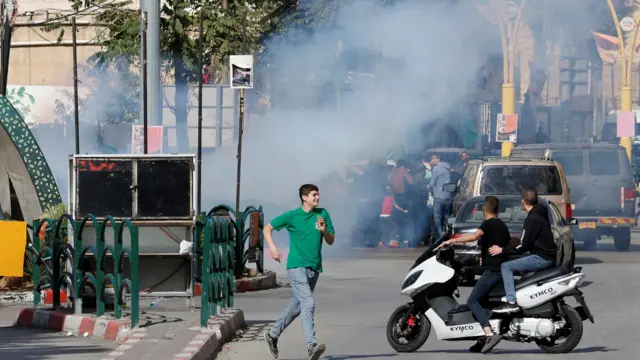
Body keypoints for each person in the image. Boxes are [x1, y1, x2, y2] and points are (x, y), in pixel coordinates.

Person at [263, 184, 335, 360]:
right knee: (308, 303)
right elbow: (267, 228)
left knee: (296, 307)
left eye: (318, 194)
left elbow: (331, 240)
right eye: (314, 195)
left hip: (314, 268)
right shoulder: (293, 216)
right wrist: (273, 248)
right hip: (296, 267)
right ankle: (311, 345)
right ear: (304, 197)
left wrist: (324, 230)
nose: (317, 198)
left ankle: (272, 335)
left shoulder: (322, 214)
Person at [436, 196, 510, 354]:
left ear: (484, 210)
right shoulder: (502, 226)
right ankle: (481, 339)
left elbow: (473, 236)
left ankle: (489, 334)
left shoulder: (488, 224)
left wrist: (450, 242)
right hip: (500, 269)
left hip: (493, 271)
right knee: (483, 303)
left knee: (472, 300)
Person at [489, 189, 558, 314]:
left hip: (541, 258)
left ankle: (511, 302)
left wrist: (502, 250)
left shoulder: (532, 219)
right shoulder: (541, 214)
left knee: (506, 266)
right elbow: (526, 240)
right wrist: (510, 244)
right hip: (548, 256)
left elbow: (522, 245)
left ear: (522, 202)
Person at [429, 154, 453, 238]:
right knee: (447, 216)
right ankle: (446, 233)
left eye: (432, 159)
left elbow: (432, 183)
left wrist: (429, 188)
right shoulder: (448, 167)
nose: (431, 160)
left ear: (437, 159)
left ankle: (440, 236)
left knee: (437, 217)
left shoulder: (436, 168)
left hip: (439, 196)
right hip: (448, 196)